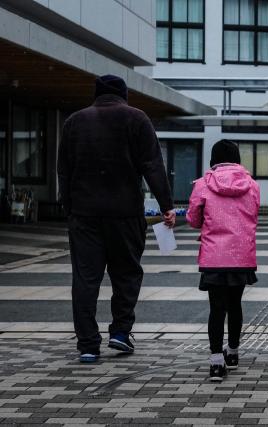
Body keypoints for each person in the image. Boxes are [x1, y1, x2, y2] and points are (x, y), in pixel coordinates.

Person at [57, 75, 176, 363]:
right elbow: (153, 165)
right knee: (127, 274)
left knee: (85, 279)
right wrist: (166, 205)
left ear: (97, 94)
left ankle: (87, 344)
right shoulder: (136, 119)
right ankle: (120, 333)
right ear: (123, 95)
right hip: (125, 213)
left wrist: (69, 209)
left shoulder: (74, 121)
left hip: (85, 215)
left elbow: (64, 170)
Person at [186, 140, 260, 382]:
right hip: (241, 255)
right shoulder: (252, 185)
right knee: (235, 304)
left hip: (214, 255)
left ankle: (216, 362)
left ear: (213, 160)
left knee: (217, 308)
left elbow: (194, 219)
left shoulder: (202, 185)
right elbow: (253, 215)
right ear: (238, 159)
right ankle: (234, 352)